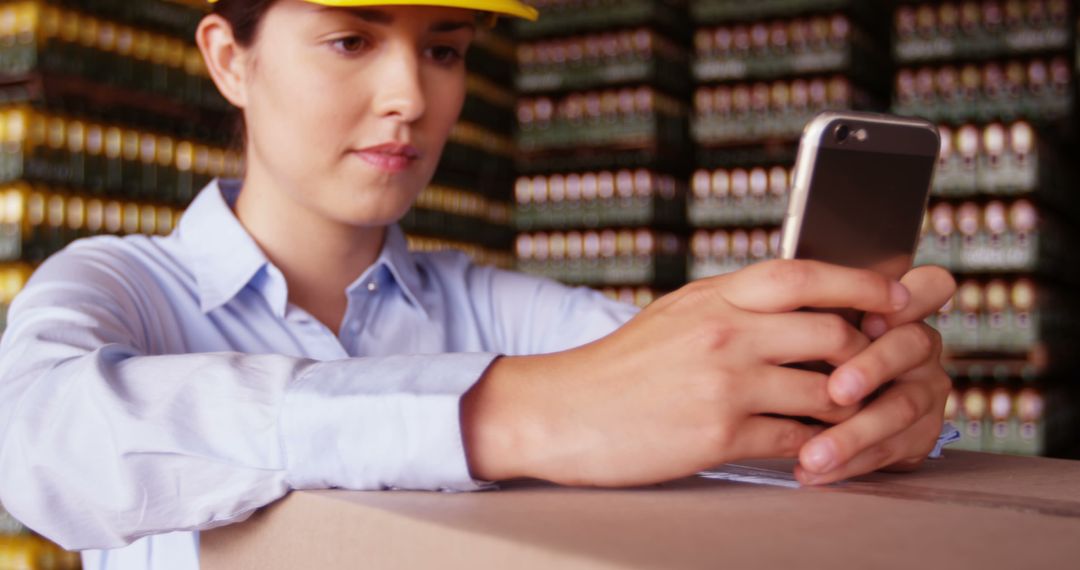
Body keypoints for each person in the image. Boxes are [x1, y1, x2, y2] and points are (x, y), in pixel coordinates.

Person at [0, 0, 955, 568]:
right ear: (228, 59)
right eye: (352, 40)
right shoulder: (121, 286)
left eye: (445, 50)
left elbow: (702, 385)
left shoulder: (501, 308)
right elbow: (36, 440)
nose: (412, 97)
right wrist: (508, 413)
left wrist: (859, 395)